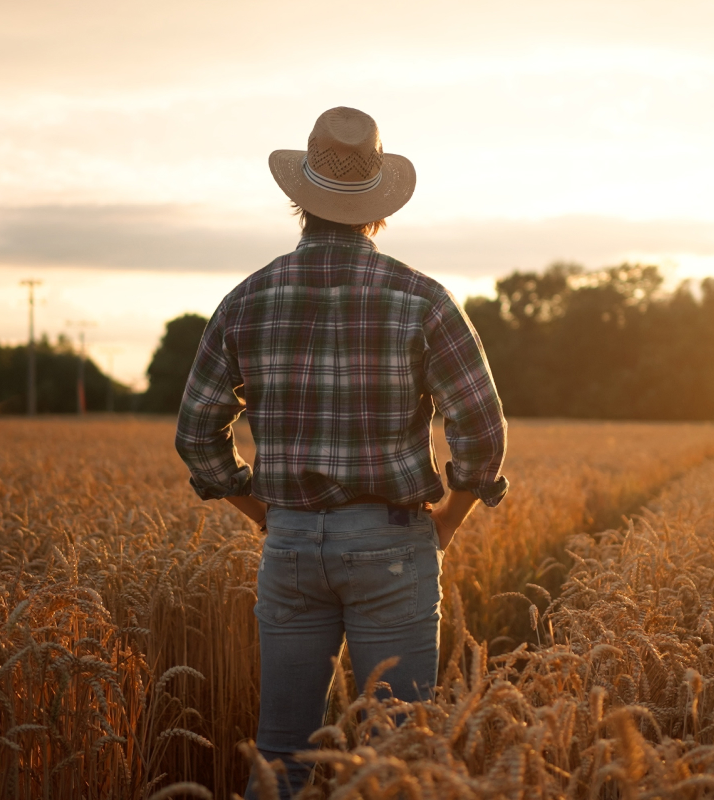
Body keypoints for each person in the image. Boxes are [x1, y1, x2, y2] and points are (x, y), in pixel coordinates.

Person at [174, 106, 508, 799]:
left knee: (280, 757)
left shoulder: (247, 299)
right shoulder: (423, 299)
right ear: (378, 211)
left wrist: (267, 514)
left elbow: (197, 436)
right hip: (393, 545)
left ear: (299, 200)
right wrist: (447, 520)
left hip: (291, 546)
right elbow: (481, 427)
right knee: (399, 758)